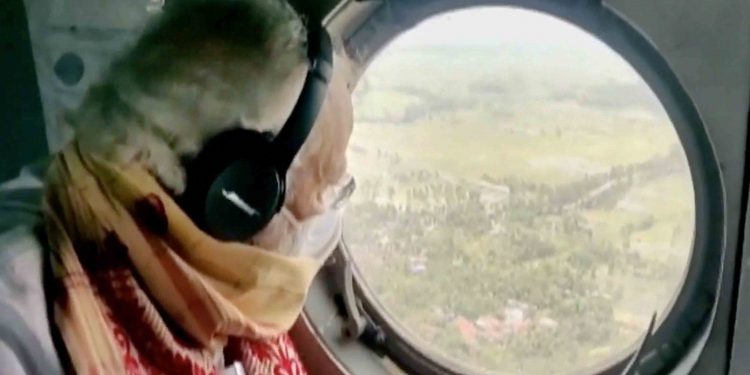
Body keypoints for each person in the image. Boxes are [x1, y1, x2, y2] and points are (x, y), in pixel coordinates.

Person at [0, 0, 354, 373]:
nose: (322, 210)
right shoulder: (17, 327)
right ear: (240, 197)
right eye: (325, 184)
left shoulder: (203, 291)